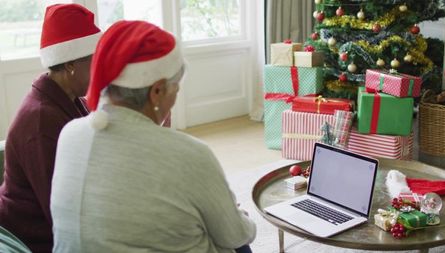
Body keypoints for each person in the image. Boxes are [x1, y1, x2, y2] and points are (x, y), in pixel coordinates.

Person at [51, 20, 256, 253]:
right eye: (175, 88)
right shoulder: (190, 154)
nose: (175, 97)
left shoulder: (69, 135)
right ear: (157, 91)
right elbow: (237, 234)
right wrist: (241, 218)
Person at [0, 4, 100, 253]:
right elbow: (60, 213)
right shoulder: (41, 121)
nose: (101, 70)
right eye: (95, 61)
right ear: (70, 65)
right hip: (28, 234)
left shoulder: (69, 99)